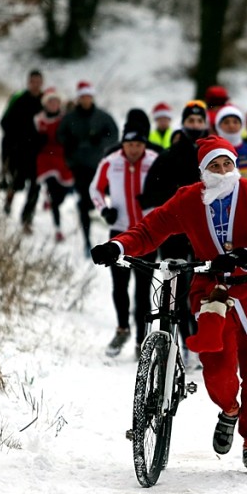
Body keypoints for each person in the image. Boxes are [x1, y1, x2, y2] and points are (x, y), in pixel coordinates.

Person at [90, 136, 247, 477]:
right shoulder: (188, 199)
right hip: (212, 295)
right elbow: (149, 230)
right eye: (215, 165)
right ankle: (229, 409)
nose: (223, 170)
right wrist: (117, 247)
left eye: (227, 163)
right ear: (203, 171)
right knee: (218, 372)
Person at [137, 100, 211, 355]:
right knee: (174, 286)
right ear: (183, 123)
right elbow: (151, 193)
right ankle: (175, 341)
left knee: (204, 285)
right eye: (190, 121)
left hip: (206, 232)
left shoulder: (212, 155)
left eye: (199, 121)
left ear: (205, 124)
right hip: (176, 231)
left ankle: (202, 339)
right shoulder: (169, 156)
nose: (195, 125)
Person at [89, 109, 159, 357]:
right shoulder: (111, 161)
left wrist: (155, 205)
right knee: (119, 286)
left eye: (138, 144)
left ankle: (142, 339)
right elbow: (95, 189)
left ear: (144, 144)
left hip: (148, 234)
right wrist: (104, 209)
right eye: (129, 144)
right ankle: (122, 330)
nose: (133, 149)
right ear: (123, 144)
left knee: (143, 290)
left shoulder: (155, 159)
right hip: (119, 232)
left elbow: (168, 192)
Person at [57, 80, 120, 254]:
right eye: (82, 97)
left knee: (110, 199)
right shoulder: (69, 118)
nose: (85, 100)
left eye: (88, 96)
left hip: (99, 165)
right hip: (79, 166)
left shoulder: (102, 116)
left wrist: (101, 142)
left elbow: (114, 134)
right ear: (78, 98)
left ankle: (116, 234)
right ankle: (87, 240)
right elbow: (60, 135)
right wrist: (70, 142)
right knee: (84, 202)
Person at [0, 69, 45, 224]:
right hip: (19, 151)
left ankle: (27, 218)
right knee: (17, 182)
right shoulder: (19, 99)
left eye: (38, 82)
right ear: (28, 82)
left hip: (38, 153)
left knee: (35, 186)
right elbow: (4, 122)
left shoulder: (46, 101)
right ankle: (8, 201)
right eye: (33, 82)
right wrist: (12, 143)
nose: (36, 85)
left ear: (42, 83)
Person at [27, 87, 73, 240]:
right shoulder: (38, 120)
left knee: (62, 192)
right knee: (45, 190)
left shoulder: (65, 119)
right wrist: (37, 141)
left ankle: (50, 200)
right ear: (45, 104)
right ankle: (57, 228)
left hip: (61, 159)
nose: (54, 104)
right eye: (50, 101)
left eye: (56, 101)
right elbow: (30, 140)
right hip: (45, 159)